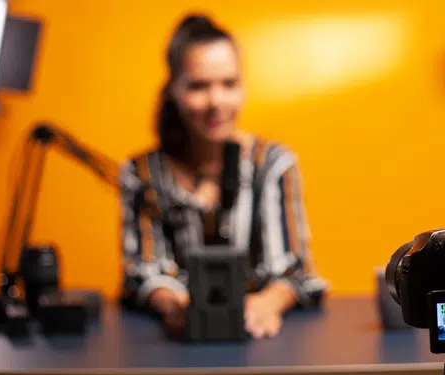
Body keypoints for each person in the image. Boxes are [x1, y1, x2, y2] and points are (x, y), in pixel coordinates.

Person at [118, 13, 328, 339]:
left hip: (259, 339)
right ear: (173, 88)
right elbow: (145, 271)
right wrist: (175, 304)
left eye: (229, 84)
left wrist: (267, 303)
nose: (216, 101)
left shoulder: (273, 164)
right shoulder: (141, 173)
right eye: (199, 86)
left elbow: (293, 270)